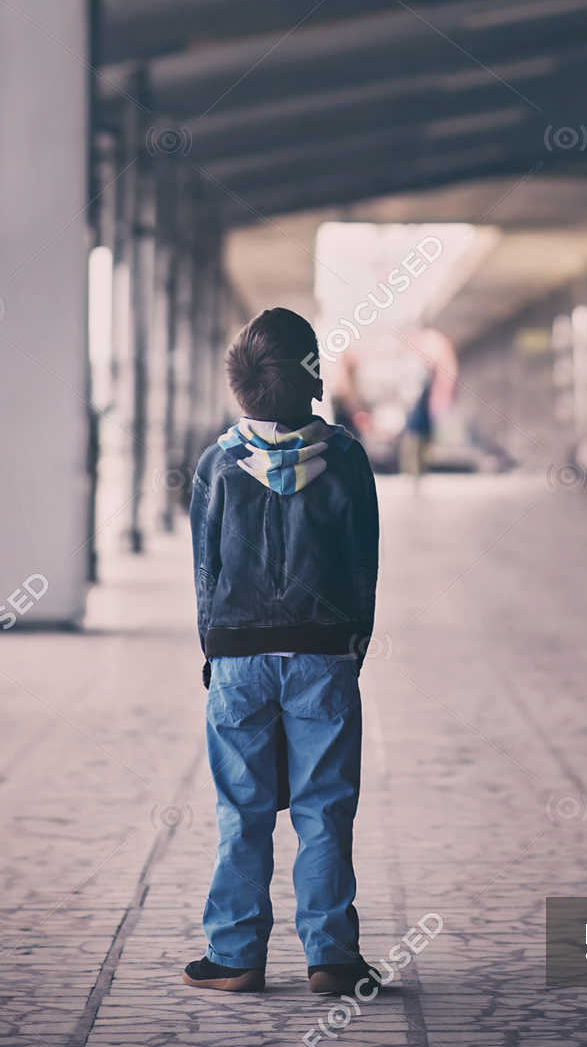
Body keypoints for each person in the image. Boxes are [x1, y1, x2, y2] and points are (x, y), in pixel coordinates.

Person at [183, 307, 380, 998]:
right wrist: (351, 647)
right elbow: (363, 567)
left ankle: (236, 955)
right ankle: (333, 959)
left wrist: (215, 648)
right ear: (311, 378)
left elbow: (205, 571)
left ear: (242, 387)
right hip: (323, 656)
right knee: (324, 807)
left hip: (238, 658)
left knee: (242, 808)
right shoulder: (347, 459)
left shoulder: (218, 463)